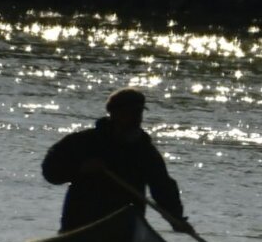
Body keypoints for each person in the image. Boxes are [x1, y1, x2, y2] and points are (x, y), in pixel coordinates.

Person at [42, 87, 194, 234]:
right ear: (114, 113)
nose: (136, 118)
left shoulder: (145, 151)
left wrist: (176, 219)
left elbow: (163, 188)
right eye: (131, 112)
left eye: (139, 112)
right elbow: (50, 171)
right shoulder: (84, 142)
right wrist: (80, 169)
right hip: (80, 224)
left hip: (125, 229)